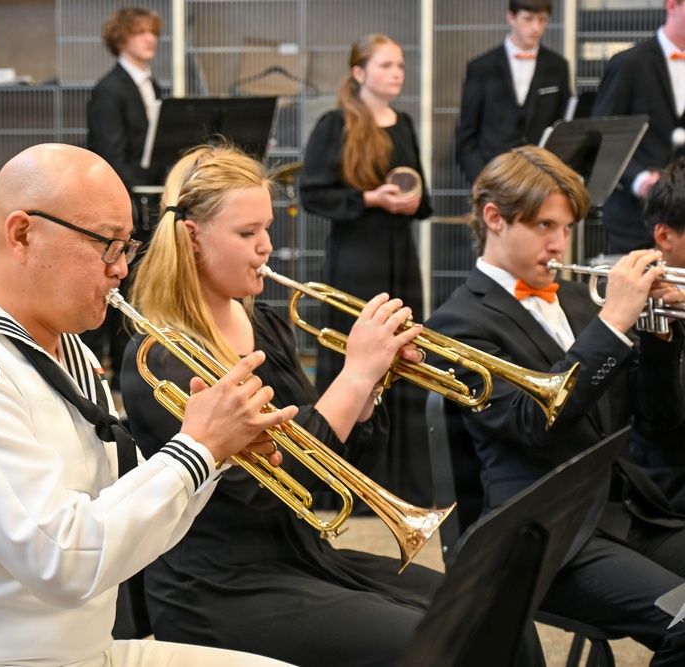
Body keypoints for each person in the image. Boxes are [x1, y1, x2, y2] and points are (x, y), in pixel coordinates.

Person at [0, 142, 303, 667]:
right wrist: (198, 448)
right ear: (23, 235)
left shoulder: (63, 345)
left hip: (82, 651)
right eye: (107, 245)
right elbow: (62, 560)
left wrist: (215, 458)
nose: (122, 269)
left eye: (128, 247)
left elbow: (123, 514)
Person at [120, 143, 546, 667]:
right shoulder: (162, 356)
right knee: (441, 646)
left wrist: (371, 386)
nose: (266, 248)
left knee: (502, 617)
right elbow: (270, 489)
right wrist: (357, 372)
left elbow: (337, 466)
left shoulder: (268, 325)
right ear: (192, 237)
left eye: (267, 230)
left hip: (303, 557)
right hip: (221, 587)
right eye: (247, 233)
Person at [425, 145, 685, 665]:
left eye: (566, 228)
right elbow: (533, 422)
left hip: (623, 512)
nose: (559, 243)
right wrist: (612, 326)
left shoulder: (572, 299)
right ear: (494, 220)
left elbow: (656, 421)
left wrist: (660, 336)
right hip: (546, 538)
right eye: (545, 226)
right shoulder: (455, 325)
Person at [299, 33, 433, 505]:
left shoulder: (406, 123)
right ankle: (343, 481)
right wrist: (368, 199)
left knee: (405, 357)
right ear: (359, 73)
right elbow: (312, 193)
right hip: (356, 261)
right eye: (386, 65)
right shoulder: (335, 124)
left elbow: (421, 197)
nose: (397, 73)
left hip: (400, 258)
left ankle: (403, 484)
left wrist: (414, 202)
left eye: (400, 65)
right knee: (353, 358)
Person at [84, 6, 165, 389]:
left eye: (153, 32)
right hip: (123, 204)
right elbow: (110, 155)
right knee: (117, 288)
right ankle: (106, 378)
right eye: (140, 32)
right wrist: (149, 189)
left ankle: (129, 373)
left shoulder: (153, 85)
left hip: (149, 204)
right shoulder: (108, 90)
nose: (150, 38)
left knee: (137, 291)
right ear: (120, 39)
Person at [591, 0, 685, 254]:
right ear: (672, 6)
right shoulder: (629, 64)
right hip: (633, 217)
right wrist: (639, 179)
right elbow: (603, 137)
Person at [455, 0, 571, 186]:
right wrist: (481, 180)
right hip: (494, 176)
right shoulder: (481, 67)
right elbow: (466, 135)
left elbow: (564, 128)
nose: (536, 27)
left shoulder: (558, 67)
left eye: (542, 20)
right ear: (511, 17)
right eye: (528, 19)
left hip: (542, 179)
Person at [631, 157, 685, 511]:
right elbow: (660, 422)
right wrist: (662, 338)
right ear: (664, 236)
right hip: (668, 483)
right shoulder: (637, 300)